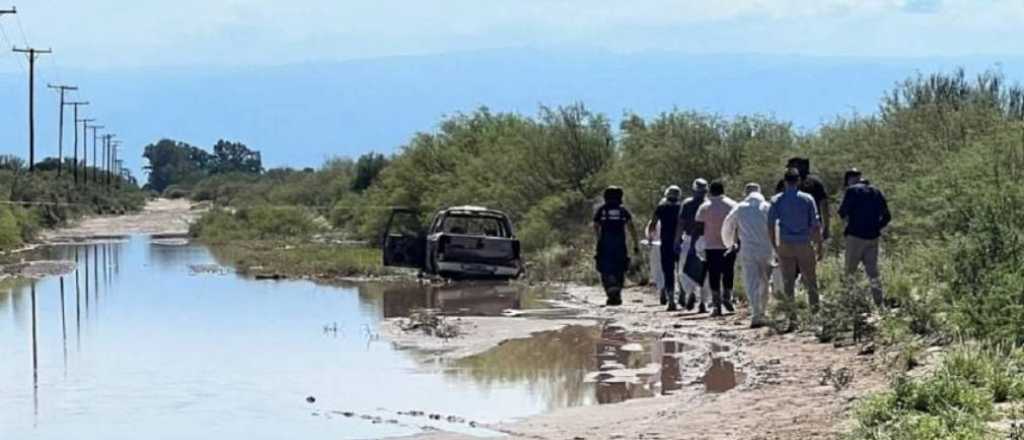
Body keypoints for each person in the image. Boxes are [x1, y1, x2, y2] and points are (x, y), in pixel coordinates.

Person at [768, 168, 823, 330]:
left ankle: (792, 319)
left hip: (785, 243)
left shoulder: (776, 200)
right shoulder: (807, 199)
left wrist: (774, 245)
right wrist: (819, 245)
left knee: (788, 283)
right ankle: (815, 317)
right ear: (798, 181)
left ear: (785, 182)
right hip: (804, 243)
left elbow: (770, 224)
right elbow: (815, 225)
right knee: (811, 280)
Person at [838, 168, 892, 307]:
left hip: (855, 236)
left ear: (850, 179)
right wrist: (876, 227)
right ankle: (879, 303)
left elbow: (842, 212)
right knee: (873, 272)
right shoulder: (876, 191)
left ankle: (848, 303)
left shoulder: (852, 191)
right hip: (873, 237)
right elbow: (887, 216)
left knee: (850, 272)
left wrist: (850, 223)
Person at [723, 183, 774, 328]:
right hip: (766, 249)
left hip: (748, 250)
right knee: (765, 281)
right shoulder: (767, 207)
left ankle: (756, 313)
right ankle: (763, 312)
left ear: (746, 193)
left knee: (751, 281)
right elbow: (776, 226)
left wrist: (728, 243)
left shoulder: (739, 208)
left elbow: (727, 225)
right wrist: (777, 247)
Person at [695, 180, 738, 317]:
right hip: (729, 244)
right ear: (723, 190)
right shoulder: (733, 205)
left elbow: (699, 227)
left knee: (714, 274)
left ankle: (716, 304)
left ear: (710, 191)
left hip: (711, 246)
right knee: (728, 272)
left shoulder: (705, 207)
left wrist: (699, 242)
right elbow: (738, 225)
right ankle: (727, 297)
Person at [594, 186, 641, 306]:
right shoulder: (623, 210)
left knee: (605, 268)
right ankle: (617, 293)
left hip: (605, 244)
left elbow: (596, 226)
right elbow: (631, 227)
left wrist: (598, 239)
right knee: (620, 267)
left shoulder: (602, 210)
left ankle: (610, 292)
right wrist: (635, 243)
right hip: (620, 244)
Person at [775, 157, 831, 251]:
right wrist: (826, 227)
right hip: (811, 229)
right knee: (810, 255)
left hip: (788, 230)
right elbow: (824, 206)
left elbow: (777, 205)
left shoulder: (784, 183)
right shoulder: (816, 183)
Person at [647, 186, 684, 309]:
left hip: (666, 243)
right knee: (681, 270)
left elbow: (653, 224)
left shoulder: (661, 208)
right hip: (679, 242)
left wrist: (650, 239)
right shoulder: (681, 207)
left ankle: (671, 300)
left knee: (668, 271)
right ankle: (682, 294)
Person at [678, 178, 710, 313]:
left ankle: (691, 293)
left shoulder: (687, 203)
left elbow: (681, 224)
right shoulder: (708, 204)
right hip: (706, 240)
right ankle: (702, 301)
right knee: (705, 272)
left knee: (684, 269)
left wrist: (677, 240)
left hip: (690, 238)